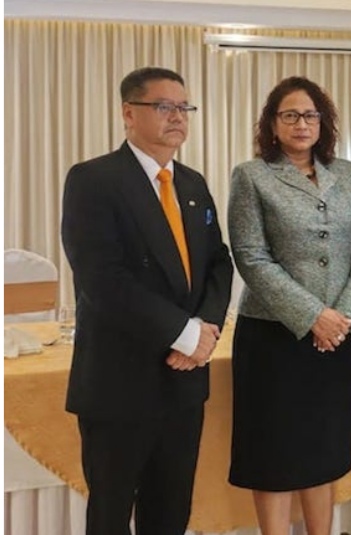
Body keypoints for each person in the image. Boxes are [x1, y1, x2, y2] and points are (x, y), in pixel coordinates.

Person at [61, 66, 233, 535]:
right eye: (163, 106)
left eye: (183, 107)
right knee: (111, 514)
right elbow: (102, 279)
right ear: (128, 113)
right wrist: (184, 333)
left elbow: (218, 263)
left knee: (171, 512)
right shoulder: (94, 179)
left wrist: (206, 329)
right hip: (120, 381)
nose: (177, 116)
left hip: (184, 379)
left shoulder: (192, 184)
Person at [226, 76, 351, 535]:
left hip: (339, 335)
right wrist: (313, 315)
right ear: (272, 124)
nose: (301, 124)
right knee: (273, 453)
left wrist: (343, 315)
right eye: (290, 115)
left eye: (310, 115)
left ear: (323, 122)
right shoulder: (252, 176)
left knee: (324, 447)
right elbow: (251, 256)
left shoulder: (347, 175)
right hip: (274, 335)